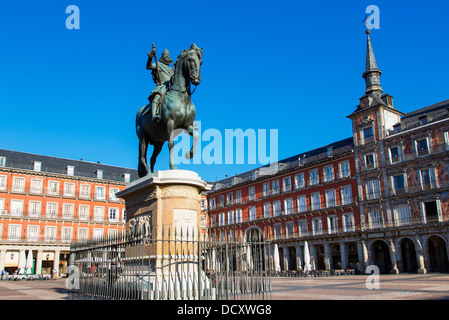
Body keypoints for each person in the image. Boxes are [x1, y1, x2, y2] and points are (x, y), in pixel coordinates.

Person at [143, 44, 174, 122]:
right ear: (162, 56)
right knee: (157, 98)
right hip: (161, 86)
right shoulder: (158, 65)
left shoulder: (172, 69)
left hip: (171, 87)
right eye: (165, 55)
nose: (167, 56)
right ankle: (154, 115)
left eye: (168, 55)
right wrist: (150, 56)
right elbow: (148, 67)